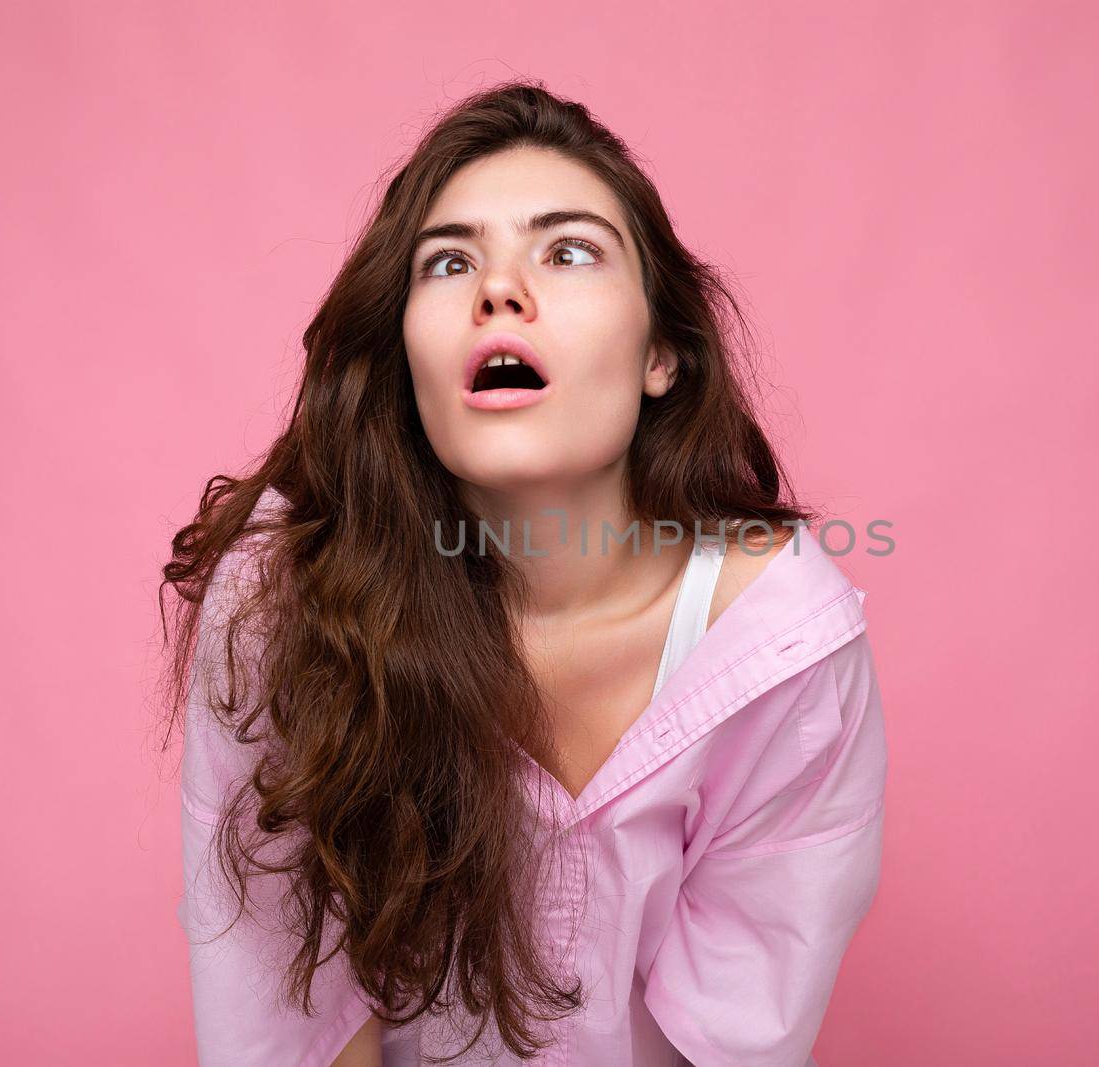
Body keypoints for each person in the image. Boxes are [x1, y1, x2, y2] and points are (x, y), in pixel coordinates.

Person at [158, 79, 887, 1067]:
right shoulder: (285, 606)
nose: (498, 289)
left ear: (661, 354)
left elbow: (729, 1040)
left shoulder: (780, 643)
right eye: (449, 261)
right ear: (404, 354)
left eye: (569, 249)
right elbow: (289, 1020)